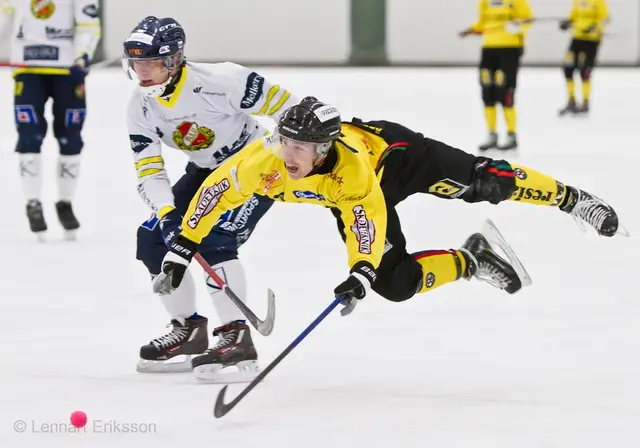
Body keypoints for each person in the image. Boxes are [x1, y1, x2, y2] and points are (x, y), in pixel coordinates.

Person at [150, 96, 623, 373]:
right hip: (351, 201)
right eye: (285, 142)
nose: (289, 155)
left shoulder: (350, 174)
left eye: (301, 148)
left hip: (397, 159)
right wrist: (180, 251)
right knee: (393, 285)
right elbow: (216, 195)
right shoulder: (265, 161)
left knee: (486, 181)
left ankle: (570, 199)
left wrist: (358, 268)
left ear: (323, 149)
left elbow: (367, 224)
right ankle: (472, 259)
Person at [123, 16, 300, 381]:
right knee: (154, 239)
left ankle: (237, 337)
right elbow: (149, 170)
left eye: (151, 62)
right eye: (136, 63)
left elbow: (293, 110)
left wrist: (280, 155)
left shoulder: (223, 81)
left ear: (175, 60)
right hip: (206, 172)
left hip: (257, 165)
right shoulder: (140, 106)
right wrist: (168, 213)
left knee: (216, 239)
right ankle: (189, 330)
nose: (143, 72)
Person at [0, 0, 101, 239]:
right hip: (28, 69)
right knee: (29, 134)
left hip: (68, 71)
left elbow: (89, 25)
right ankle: (32, 202)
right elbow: (3, 17)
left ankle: (65, 202)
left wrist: (83, 55)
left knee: (71, 137)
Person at [459, 0, 533, 151]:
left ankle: (511, 135)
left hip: (509, 48)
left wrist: (518, 27)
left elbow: (527, 20)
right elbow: (483, 22)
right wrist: (472, 29)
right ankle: (492, 134)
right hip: (489, 49)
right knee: (487, 91)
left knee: (505, 92)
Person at [558, 0, 609, 116]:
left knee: (585, 71)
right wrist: (567, 22)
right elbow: (574, 16)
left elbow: (604, 18)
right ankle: (571, 101)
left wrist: (594, 27)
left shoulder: (599, 2)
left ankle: (585, 102)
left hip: (591, 40)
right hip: (577, 38)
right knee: (567, 68)